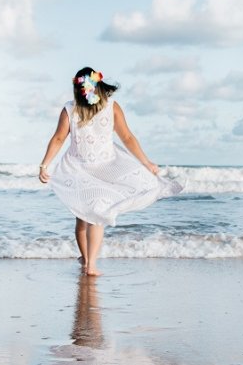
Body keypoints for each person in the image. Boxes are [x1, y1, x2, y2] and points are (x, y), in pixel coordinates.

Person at [38, 67, 182, 276]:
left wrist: (45, 164)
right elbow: (128, 137)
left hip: (91, 168)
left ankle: (88, 261)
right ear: (98, 84)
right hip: (93, 168)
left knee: (86, 217)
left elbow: (59, 138)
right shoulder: (106, 106)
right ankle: (89, 263)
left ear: (77, 88)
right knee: (91, 215)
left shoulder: (72, 109)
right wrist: (147, 162)